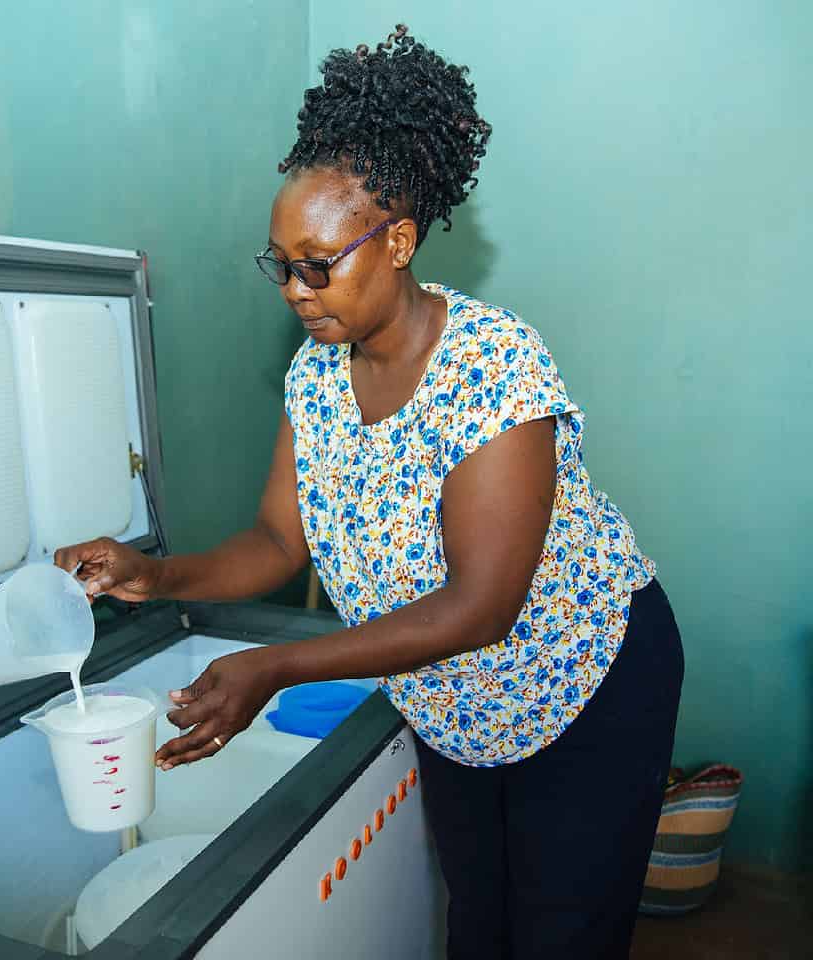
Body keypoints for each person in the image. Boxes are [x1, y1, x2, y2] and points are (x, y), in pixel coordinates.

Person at [54, 24, 684, 960]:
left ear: (396, 240)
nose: (297, 290)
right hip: (451, 701)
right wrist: (158, 574)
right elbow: (277, 543)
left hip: (582, 681)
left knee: (563, 938)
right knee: (478, 925)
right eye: (282, 264)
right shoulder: (317, 374)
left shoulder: (491, 363)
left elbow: (483, 603)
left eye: (320, 262)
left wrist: (278, 666)